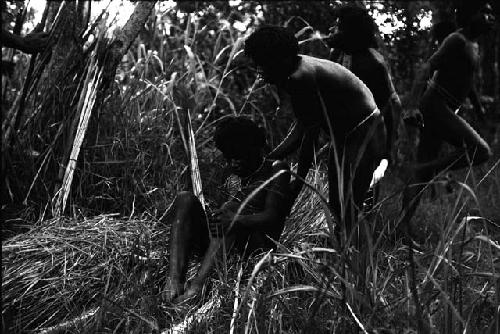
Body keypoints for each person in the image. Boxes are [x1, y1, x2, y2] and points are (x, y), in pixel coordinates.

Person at [244, 26, 387, 242]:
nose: (259, 71)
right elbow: (302, 127)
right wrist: (270, 158)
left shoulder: (300, 77)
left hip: (365, 132)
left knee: (348, 207)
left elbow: (307, 139)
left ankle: (358, 261)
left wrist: (297, 184)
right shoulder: (295, 66)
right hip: (347, 136)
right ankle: (346, 255)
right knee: (339, 208)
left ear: (279, 60)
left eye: (263, 64)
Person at [164, 116, 290, 302]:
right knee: (185, 198)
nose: (233, 163)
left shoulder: (276, 169)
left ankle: (197, 288)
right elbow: (220, 211)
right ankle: (174, 281)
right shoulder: (229, 174)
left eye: (239, 157)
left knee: (230, 209)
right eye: (229, 157)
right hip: (222, 245)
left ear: (255, 148)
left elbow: (272, 216)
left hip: (253, 243)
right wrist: (213, 214)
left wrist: (236, 219)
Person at [402, 1, 494, 239]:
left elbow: (469, 79)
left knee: (420, 174)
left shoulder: (473, 44)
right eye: (483, 13)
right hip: (435, 104)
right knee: (480, 150)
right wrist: (412, 106)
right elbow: (427, 68)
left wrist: (479, 109)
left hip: (445, 107)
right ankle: (427, 169)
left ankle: (400, 229)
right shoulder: (456, 40)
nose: (489, 17)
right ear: (469, 16)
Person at [328, 4, 402, 166]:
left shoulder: (372, 64)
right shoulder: (338, 55)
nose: (332, 29)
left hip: (367, 137)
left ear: (350, 32)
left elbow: (387, 108)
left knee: (359, 185)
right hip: (343, 135)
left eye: (338, 26)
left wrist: (388, 148)